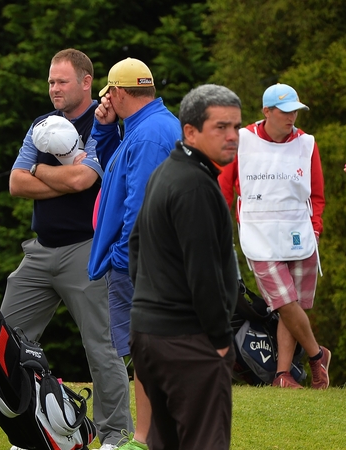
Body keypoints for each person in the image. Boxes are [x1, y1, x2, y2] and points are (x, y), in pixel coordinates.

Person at [2, 48, 132, 450]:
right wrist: (59, 174)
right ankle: (28, 434)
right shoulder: (42, 124)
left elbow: (84, 182)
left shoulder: (105, 123)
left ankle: (114, 436)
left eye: (62, 81)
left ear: (85, 82)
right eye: (51, 82)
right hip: (40, 251)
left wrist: (39, 170)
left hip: (88, 250)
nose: (54, 88)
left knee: (102, 348)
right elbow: (15, 184)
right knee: (3, 341)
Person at [130, 83, 240, 450]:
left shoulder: (166, 172)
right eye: (221, 127)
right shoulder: (194, 185)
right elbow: (204, 273)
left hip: (151, 336)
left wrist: (148, 305)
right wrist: (222, 341)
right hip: (186, 341)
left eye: (236, 127)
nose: (232, 136)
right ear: (190, 131)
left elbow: (135, 244)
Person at [88, 57, 180, 450]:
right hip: (147, 261)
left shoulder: (147, 136)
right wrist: (104, 130)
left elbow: (139, 208)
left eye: (108, 93)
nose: (105, 99)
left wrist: (126, 262)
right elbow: (115, 171)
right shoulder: (146, 126)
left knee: (148, 352)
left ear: (119, 92)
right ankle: (148, 436)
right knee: (145, 353)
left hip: (141, 264)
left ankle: (147, 438)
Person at [218, 83, 331, 389]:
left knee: (294, 307)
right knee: (284, 303)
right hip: (259, 235)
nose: (291, 116)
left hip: (300, 234)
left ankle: (282, 375)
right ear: (267, 111)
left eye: (295, 110)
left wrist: (316, 227)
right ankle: (317, 355)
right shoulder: (242, 141)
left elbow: (317, 194)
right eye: (284, 111)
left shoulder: (306, 143)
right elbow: (224, 186)